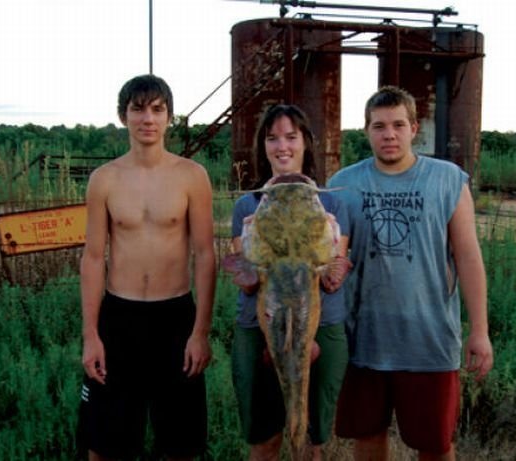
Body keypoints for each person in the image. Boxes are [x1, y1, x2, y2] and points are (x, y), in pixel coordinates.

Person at [328, 86, 493, 461]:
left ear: (414, 128)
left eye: (398, 125)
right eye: (379, 126)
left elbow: (468, 257)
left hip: (429, 340)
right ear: (366, 130)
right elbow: (330, 261)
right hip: (364, 339)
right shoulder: (345, 183)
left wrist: (479, 331)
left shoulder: (447, 179)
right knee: (367, 436)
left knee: (434, 444)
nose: (389, 134)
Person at [77, 74, 216, 461]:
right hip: (120, 318)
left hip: (175, 317)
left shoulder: (192, 176)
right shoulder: (104, 179)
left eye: (157, 109)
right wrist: (91, 335)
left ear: (169, 116)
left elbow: (205, 255)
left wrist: (200, 332)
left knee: (182, 444)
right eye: (138, 109)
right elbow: (92, 258)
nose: (148, 119)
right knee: (105, 443)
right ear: (123, 116)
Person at [229, 104, 351, 461]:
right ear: (262, 146)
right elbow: (248, 281)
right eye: (272, 138)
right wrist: (253, 246)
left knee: (311, 441)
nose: (282, 146)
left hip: (321, 326)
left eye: (291, 137)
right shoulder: (246, 206)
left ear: (306, 143)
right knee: (265, 440)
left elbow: (332, 278)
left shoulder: (330, 203)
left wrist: (331, 243)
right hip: (261, 327)